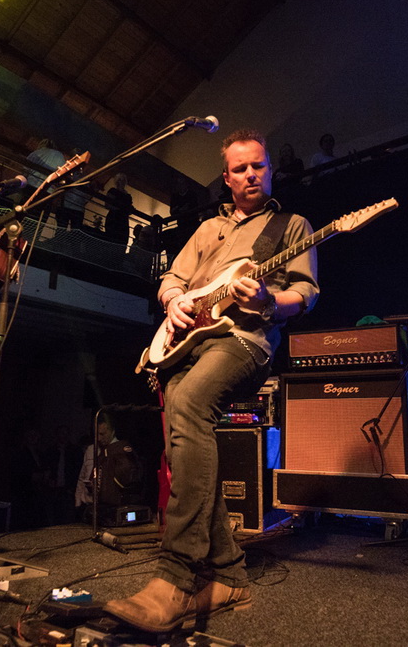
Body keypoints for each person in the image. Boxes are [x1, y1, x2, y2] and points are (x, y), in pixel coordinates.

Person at [104, 129, 319, 632]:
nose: (251, 175)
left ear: (270, 169)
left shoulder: (291, 226)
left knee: (191, 404)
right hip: (192, 340)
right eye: (241, 169)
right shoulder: (206, 231)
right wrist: (175, 301)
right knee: (183, 429)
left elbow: (305, 294)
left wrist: (268, 299)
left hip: (246, 339)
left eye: (259, 166)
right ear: (226, 178)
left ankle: (176, 574)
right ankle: (229, 576)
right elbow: (172, 280)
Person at [74, 415, 142, 524]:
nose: (99, 438)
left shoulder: (120, 449)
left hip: (113, 507)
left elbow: (129, 476)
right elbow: (83, 476)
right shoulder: (94, 449)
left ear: (112, 431)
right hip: (93, 504)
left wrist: (113, 485)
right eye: (96, 434)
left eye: (102, 434)